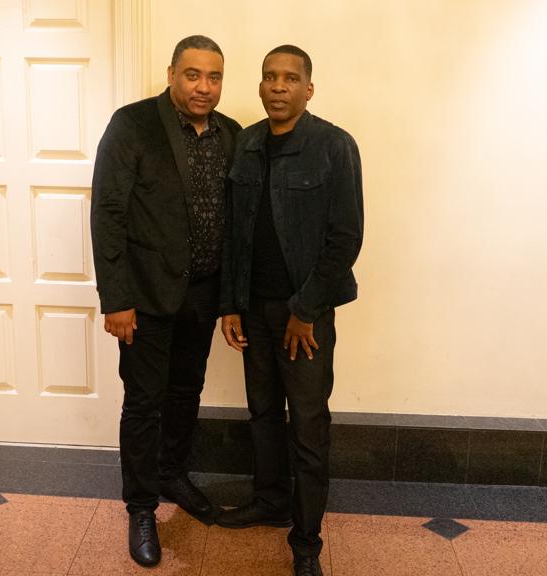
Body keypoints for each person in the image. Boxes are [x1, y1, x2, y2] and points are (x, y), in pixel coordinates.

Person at [91, 35, 242, 568]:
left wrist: (230, 299)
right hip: (145, 298)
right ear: (172, 73)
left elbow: (236, 223)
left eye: (214, 77)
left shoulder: (230, 134)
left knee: (185, 392)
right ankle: (140, 507)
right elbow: (108, 213)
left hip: (202, 294)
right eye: (193, 74)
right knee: (143, 403)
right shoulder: (132, 124)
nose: (204, 87)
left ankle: (173, 474)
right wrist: (116, 299)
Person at [217, 45, 364, 576]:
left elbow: (345, 238)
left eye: (290, 78)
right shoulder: (248, 143)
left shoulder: (333, 146)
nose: (278, 86)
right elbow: (235, 233)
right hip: (254, 310)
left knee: (307, 425)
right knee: (262, 414)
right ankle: (270, 501)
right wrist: (231, 304)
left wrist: (306, 309)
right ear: (260, 85)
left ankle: (306, 543)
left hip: (305, 315)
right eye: (269, 77)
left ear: (308, 88)